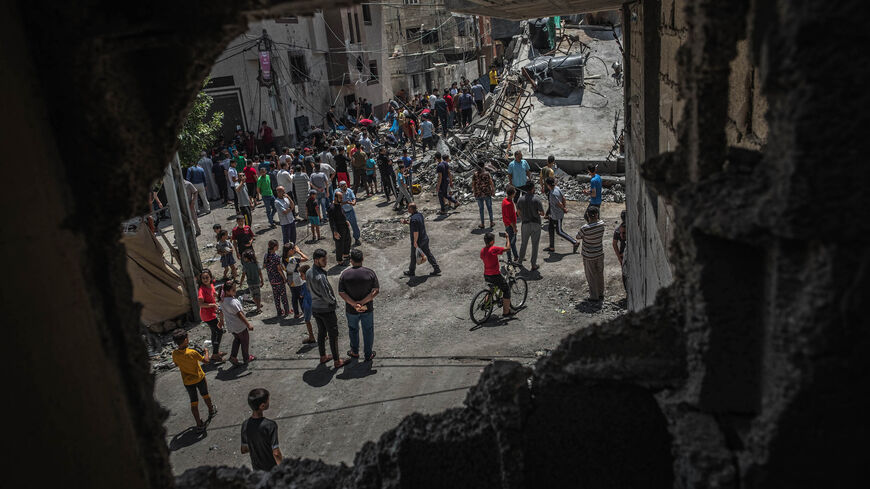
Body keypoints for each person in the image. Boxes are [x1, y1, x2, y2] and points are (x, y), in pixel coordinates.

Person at [307, 248, 347, 368]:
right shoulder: (320, 277)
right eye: (323, 260)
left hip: (315, 308)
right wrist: (334, 302)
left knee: (321, 332)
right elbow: (327, 295)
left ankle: (323, 356)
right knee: (333, 334)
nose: (326, 262)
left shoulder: (309, 271)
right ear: (316, 260)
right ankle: (336, 360)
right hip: (326, 309)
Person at [338, 249, 379, 362]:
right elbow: (375, 290)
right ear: (362, 259)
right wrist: (363, 302)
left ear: (351, 260)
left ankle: (354, 352)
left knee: (353, 329)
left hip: (351, 310)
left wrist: (354, 304)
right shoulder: (370, 273)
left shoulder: (345, 274)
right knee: (368, 330)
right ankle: (368, 354)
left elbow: (341, 292)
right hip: (367, 309)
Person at [171, 329, 216, 431]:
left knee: (194, 402)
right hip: (199, 378)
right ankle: (211, 410)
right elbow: (206, 361)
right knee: (205, 395)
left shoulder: (175, 354)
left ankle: (199, 424)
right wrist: (206, 352)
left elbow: (177, 364)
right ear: (186, 340)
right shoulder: (192, 352)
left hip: (187, 381)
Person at [240, 388, 283, 472]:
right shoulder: (270, 425)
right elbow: (276, 453)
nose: (269, 402)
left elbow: (244, 450)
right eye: (268, 401)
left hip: (257, 469)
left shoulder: (245, 425)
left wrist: (256, 446)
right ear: (262, 406)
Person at [220, 281, 255, 365]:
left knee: (237, 340)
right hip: (239, 326)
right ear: (227, 291)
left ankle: (233, 357)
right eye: (233, 290)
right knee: (244, 340)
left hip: (231, 326)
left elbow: (221, 312)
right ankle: (246, 358)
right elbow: (239, 315)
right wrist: (248, 324)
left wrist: (221, 321)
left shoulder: (223, 300)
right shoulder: (232, 302)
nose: (235, 291)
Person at [576, 206, 606, 301]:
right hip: (599, 254)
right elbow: (598, 222)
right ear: (597, 214)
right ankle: (601, 293)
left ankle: (594, 296)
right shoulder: (602, 224)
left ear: (588, 215)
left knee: (591, 276)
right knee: (600, 274)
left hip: (589, 256)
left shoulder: (585, 228)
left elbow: (578, 237)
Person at [402, 202, 441, 277]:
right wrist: (407, 222)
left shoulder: (413, 219)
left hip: (418, 241)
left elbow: (416, 232)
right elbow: (417, 224)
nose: (407, 209)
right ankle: (436, 268)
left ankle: (411, 271)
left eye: (408, 208)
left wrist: (415, 242)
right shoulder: (419, 215)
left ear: (412, 209)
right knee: (428, 254)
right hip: (425, 238)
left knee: (413, 256)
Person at [544, 177, 580, 253]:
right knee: (550, 229)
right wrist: (564, 207)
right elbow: (563, 198)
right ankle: (551, 247)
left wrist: (563, 209)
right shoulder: (557, 188)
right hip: (553, 215)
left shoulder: (553, 194)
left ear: (548, 185)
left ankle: (574, 242)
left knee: (559, 231)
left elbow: (559, 203)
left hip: (557, 216)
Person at [480, 232, 513, 316]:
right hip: (495, 275)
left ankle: (486, 303)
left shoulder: (482, 250)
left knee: (492, 288)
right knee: (506, 290)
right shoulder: (493, 249)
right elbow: (508, 248)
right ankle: (506, 312)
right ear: (491, 241)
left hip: (486, 275)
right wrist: (507, 238)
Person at [197, 270, 226, 362]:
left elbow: (214, 293)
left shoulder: (211, 285)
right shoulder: (201, 290)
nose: (205, 279)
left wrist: (221, 297)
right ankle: (215, 354)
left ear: (210, 278)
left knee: (215, 333)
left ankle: (215, 352)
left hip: (211, 314)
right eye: (203, 278)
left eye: (207, 277)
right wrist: (213, 305)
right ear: (201, 280)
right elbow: (201, 304)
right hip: (207, 315)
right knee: (219, 331)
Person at [516, 183, 545, 271]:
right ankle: (533, 265)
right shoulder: (536, 199)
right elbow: (542, 213)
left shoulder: (520, 200)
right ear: (533, 189)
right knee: (535, 245)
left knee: (523, 244)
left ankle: (520, 262)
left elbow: (518, 212)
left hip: (525, 224)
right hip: (536, 224)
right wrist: (538, 213)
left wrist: (523, 218)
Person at [263, 240, 290, 317]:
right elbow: (279, 269)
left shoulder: (266, 256)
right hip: (279, 280)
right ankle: (287, 311)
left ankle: (279, 312)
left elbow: (264, 266)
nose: (278, 247)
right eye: (277, 246)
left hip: (272, 280)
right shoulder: (276, 257)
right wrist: (284, 278)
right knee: (283, 297)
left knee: (276, 297)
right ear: (275, 247)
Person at [328, 191, 352, 265]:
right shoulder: (331, 208)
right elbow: (332, 222)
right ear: (335, 198)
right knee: (339, 244)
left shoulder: (339, 205)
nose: (342, 199)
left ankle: (346, 254)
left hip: (344, 225)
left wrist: (346, 220)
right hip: (338, 228)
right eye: (340, 198)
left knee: (348, 240)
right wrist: (335, 232)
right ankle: (339, 260)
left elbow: (342, 213)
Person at [296, 264, 317, 344]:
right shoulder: (315, 282)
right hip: (317, 304)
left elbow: (301, 295)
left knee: (307, 321)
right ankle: (324, 335)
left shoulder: (304, 285)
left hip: (308, 305)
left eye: (301, 275)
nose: (301, 277)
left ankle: (311, 337)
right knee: (320, 320)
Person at [338, 181, 361, 246]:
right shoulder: (337, 192)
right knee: (343, 227)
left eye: (345, 186)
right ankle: (344, 241)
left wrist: (353, 202)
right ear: (340, 187)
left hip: (350, 211)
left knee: (354, 225)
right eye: (343, 186)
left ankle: (356, 239)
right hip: (342, 213)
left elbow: (354, 199)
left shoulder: (349, 191)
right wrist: (346, 203)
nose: (345, 187)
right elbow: (337, 204)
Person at [240, 249, 263, 313]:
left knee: (253, 295)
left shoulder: (245, 265)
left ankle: (258, 307)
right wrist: (262, 280)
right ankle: (258, 306)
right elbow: (260, 273)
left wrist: (241, 283)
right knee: (257, 295)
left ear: (247, 258)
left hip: (250, 283)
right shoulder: (256, 263)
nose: (243, 259)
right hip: (257, 282)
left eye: (244, 258)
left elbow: (243, 275)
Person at [501, 185, 520, 262]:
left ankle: (515, 256)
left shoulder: (505, 201)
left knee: (510, 240)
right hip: (510, 225)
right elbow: (510, 218)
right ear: (512, 194)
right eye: (514, 192)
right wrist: (514, 227)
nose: (515, 193)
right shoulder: (509, 204)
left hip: (507, 224)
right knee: (511, 242)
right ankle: (510, 258)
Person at [613, 215, 627, 291]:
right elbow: (614, 244)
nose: (621, 235)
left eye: (624, 233)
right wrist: (619, 257)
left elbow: (614, 244)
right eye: (621, 233)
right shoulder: (619, 230)